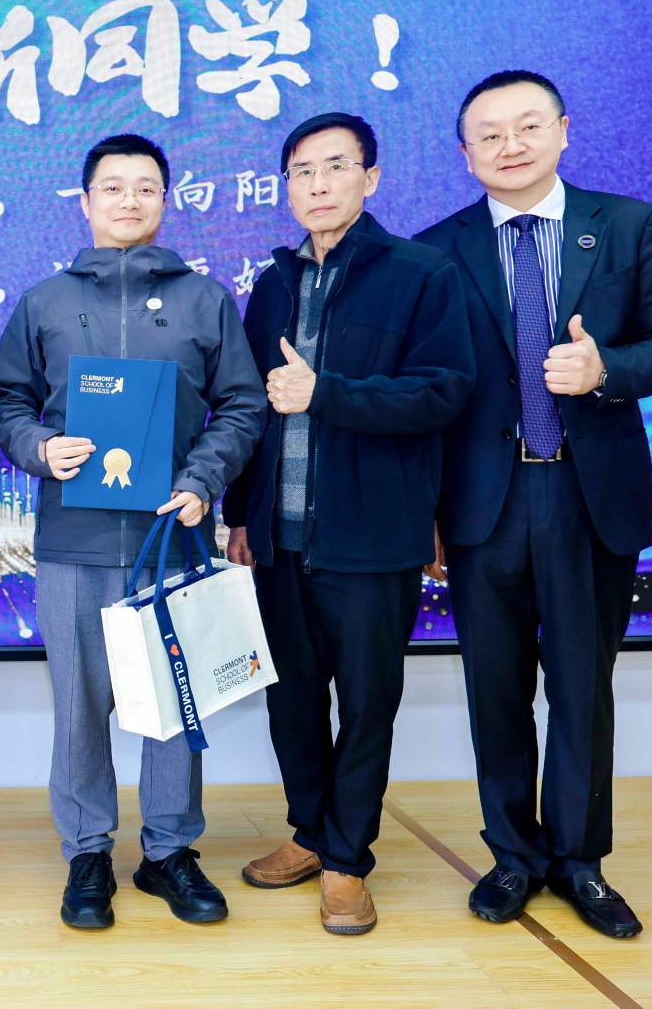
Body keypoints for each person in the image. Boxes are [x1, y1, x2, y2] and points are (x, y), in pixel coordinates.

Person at [415, 71, 652, 938]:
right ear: (465, 153)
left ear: (563, 131)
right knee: (494, 689)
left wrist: (607, 367)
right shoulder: (436, 249)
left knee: (582, 686)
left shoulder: (628, 225)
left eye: (528, 126)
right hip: (482, 502)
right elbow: (431, 392)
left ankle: (580, 860)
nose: (511, 145)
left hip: (587, 491)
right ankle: (513, 855)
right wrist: (426, 511)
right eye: (489, 134)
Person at [0, 134, 264, 930]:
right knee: (79, 707)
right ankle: (87, 851)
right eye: (113, 187)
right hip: (71, 541)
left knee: (174, 700)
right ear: (86, 202)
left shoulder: (205, 300)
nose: (130, 200)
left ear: (165, 201)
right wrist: (40, 447)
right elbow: (5, 401)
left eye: (145, 187)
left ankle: (169, 850)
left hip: (171, 537)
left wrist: (201, 478)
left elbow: (242, 404)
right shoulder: (44, 301)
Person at [224, 112, 474, 935]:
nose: (318, 184)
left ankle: (346, 859)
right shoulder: (273, 284)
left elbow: (443, 392)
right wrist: (240, 513)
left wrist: (326, 392)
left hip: (372, 535)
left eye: (335, 166)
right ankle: (309, 832)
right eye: (302, 171)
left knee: (367, 703)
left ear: (371, 177)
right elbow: (249, 408)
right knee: (292, 700)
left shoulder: (421, 273)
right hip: (279, 535)